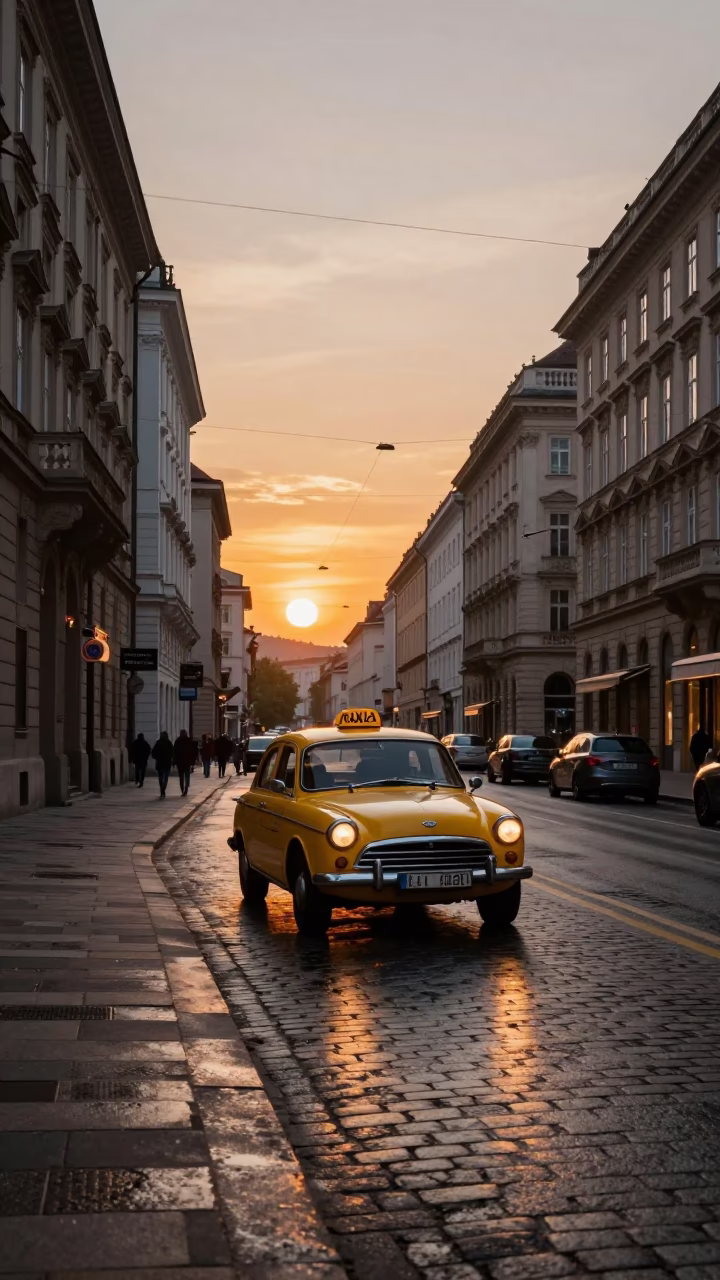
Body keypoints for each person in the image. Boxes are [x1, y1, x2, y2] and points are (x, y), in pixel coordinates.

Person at [174, 728, 197, 795]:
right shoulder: (189, 741)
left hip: (180, 762)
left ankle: (182, 788)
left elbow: (175, 751)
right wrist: (193, 761)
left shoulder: (177, 741)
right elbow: (193, 751)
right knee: (187, 775)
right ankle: (186, 788)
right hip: (187, 761)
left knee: (181, 776)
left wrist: (175, 760)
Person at [151, 732, 173, 798]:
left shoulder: (158, 743)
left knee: (160, 777)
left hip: (160, 762)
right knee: (166, 777)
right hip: (167, 762)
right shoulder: (169, 743)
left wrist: (155, 757)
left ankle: (162, 788)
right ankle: (163, 788)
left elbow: (153, 752)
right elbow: (172, 752)